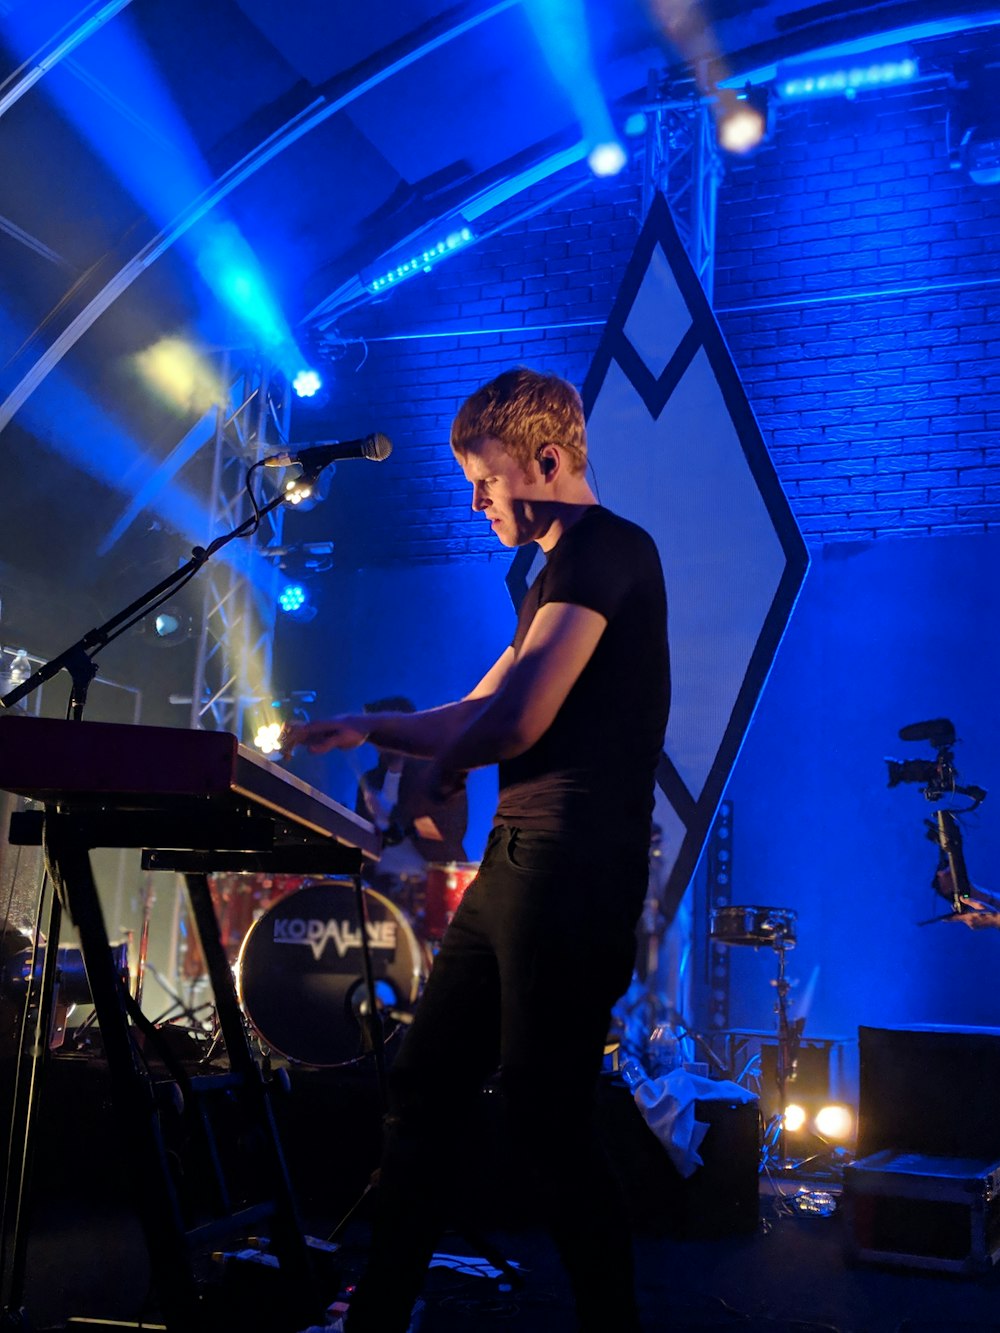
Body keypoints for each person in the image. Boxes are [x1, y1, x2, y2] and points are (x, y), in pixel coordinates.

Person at [282, 367, 670, 1333]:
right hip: (517, 866)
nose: (475, 500)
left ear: (545, 459)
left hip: (572, 871)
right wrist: (365, 725)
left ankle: (613, 1321)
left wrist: (445, 766)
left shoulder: (608, 552)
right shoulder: (550, 574)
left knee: (545, 1112)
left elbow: (517, 719)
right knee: (428, 1083)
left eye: (485, 481)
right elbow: (482, 700)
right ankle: (376, 1312)